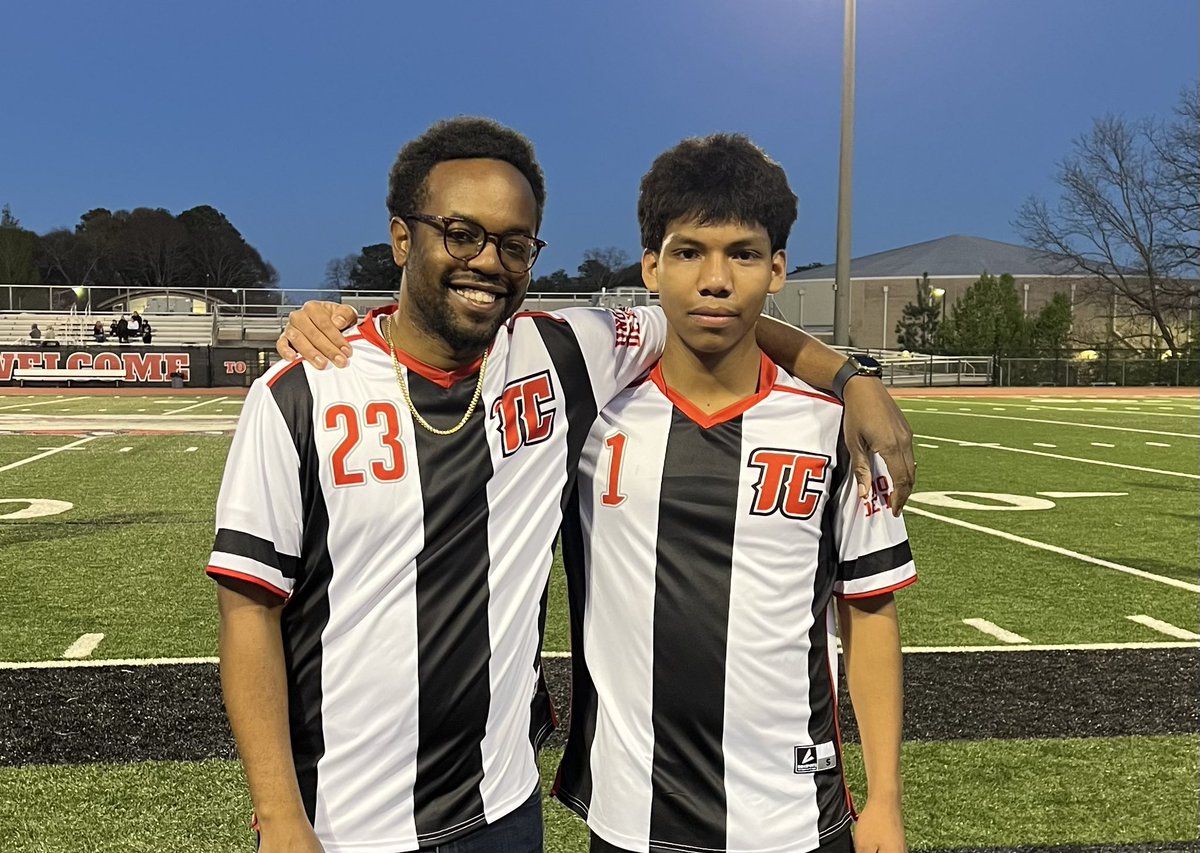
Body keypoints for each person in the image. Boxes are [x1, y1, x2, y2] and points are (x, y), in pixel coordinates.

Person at [232, 117, 913, 853]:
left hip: (502, 807)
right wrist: (279, 814)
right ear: (403, 239)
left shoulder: (564, 356)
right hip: (340, 821)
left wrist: (853, 379)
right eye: (461, 233)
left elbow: (720, 311)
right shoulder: (300, 391)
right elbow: (246, 607)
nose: (487, 261)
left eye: (514, 243)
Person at [551, 134, 913, 853]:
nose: (715, 279)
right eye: (689, 252)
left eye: (743, 253)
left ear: (777, 268)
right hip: (630, 817)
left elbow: (870, 612)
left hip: (793, 817)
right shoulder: (588, 411)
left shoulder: (836, 429)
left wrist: (887, 799)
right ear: (651, 266)